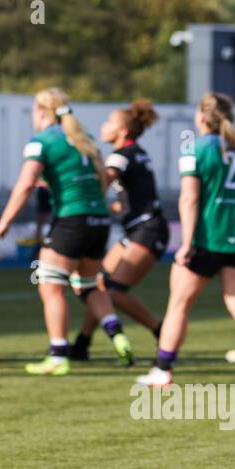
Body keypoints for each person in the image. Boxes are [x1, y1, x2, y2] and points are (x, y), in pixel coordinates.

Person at [0, 88, 134, 376]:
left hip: (72, 219)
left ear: (42, 112)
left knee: (50, 284)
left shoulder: (41, 141)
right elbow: (101, 179)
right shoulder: (86, 140)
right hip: (99, 221)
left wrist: (5, 222)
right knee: (89, 283)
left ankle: (58, 354)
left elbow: (25, 184)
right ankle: (117, 335)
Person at [136, 93, 235, 390]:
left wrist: (186, 241)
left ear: (201, 117)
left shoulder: (195, 149)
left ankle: (163, 369)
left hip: (205, 240)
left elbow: (190, 198)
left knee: (179, 306)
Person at [72, 100, 168, 359]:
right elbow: (133, 196)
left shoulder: (120, 155)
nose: (104, 126)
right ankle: (82, 344)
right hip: (143, 227)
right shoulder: (136, 151)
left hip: (147, 229)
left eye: (109, 123)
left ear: (123, 131)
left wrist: (71, 187)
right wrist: (117, 208)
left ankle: (164, 334)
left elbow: (104, 179)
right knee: (98, 285)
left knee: (112, 291)